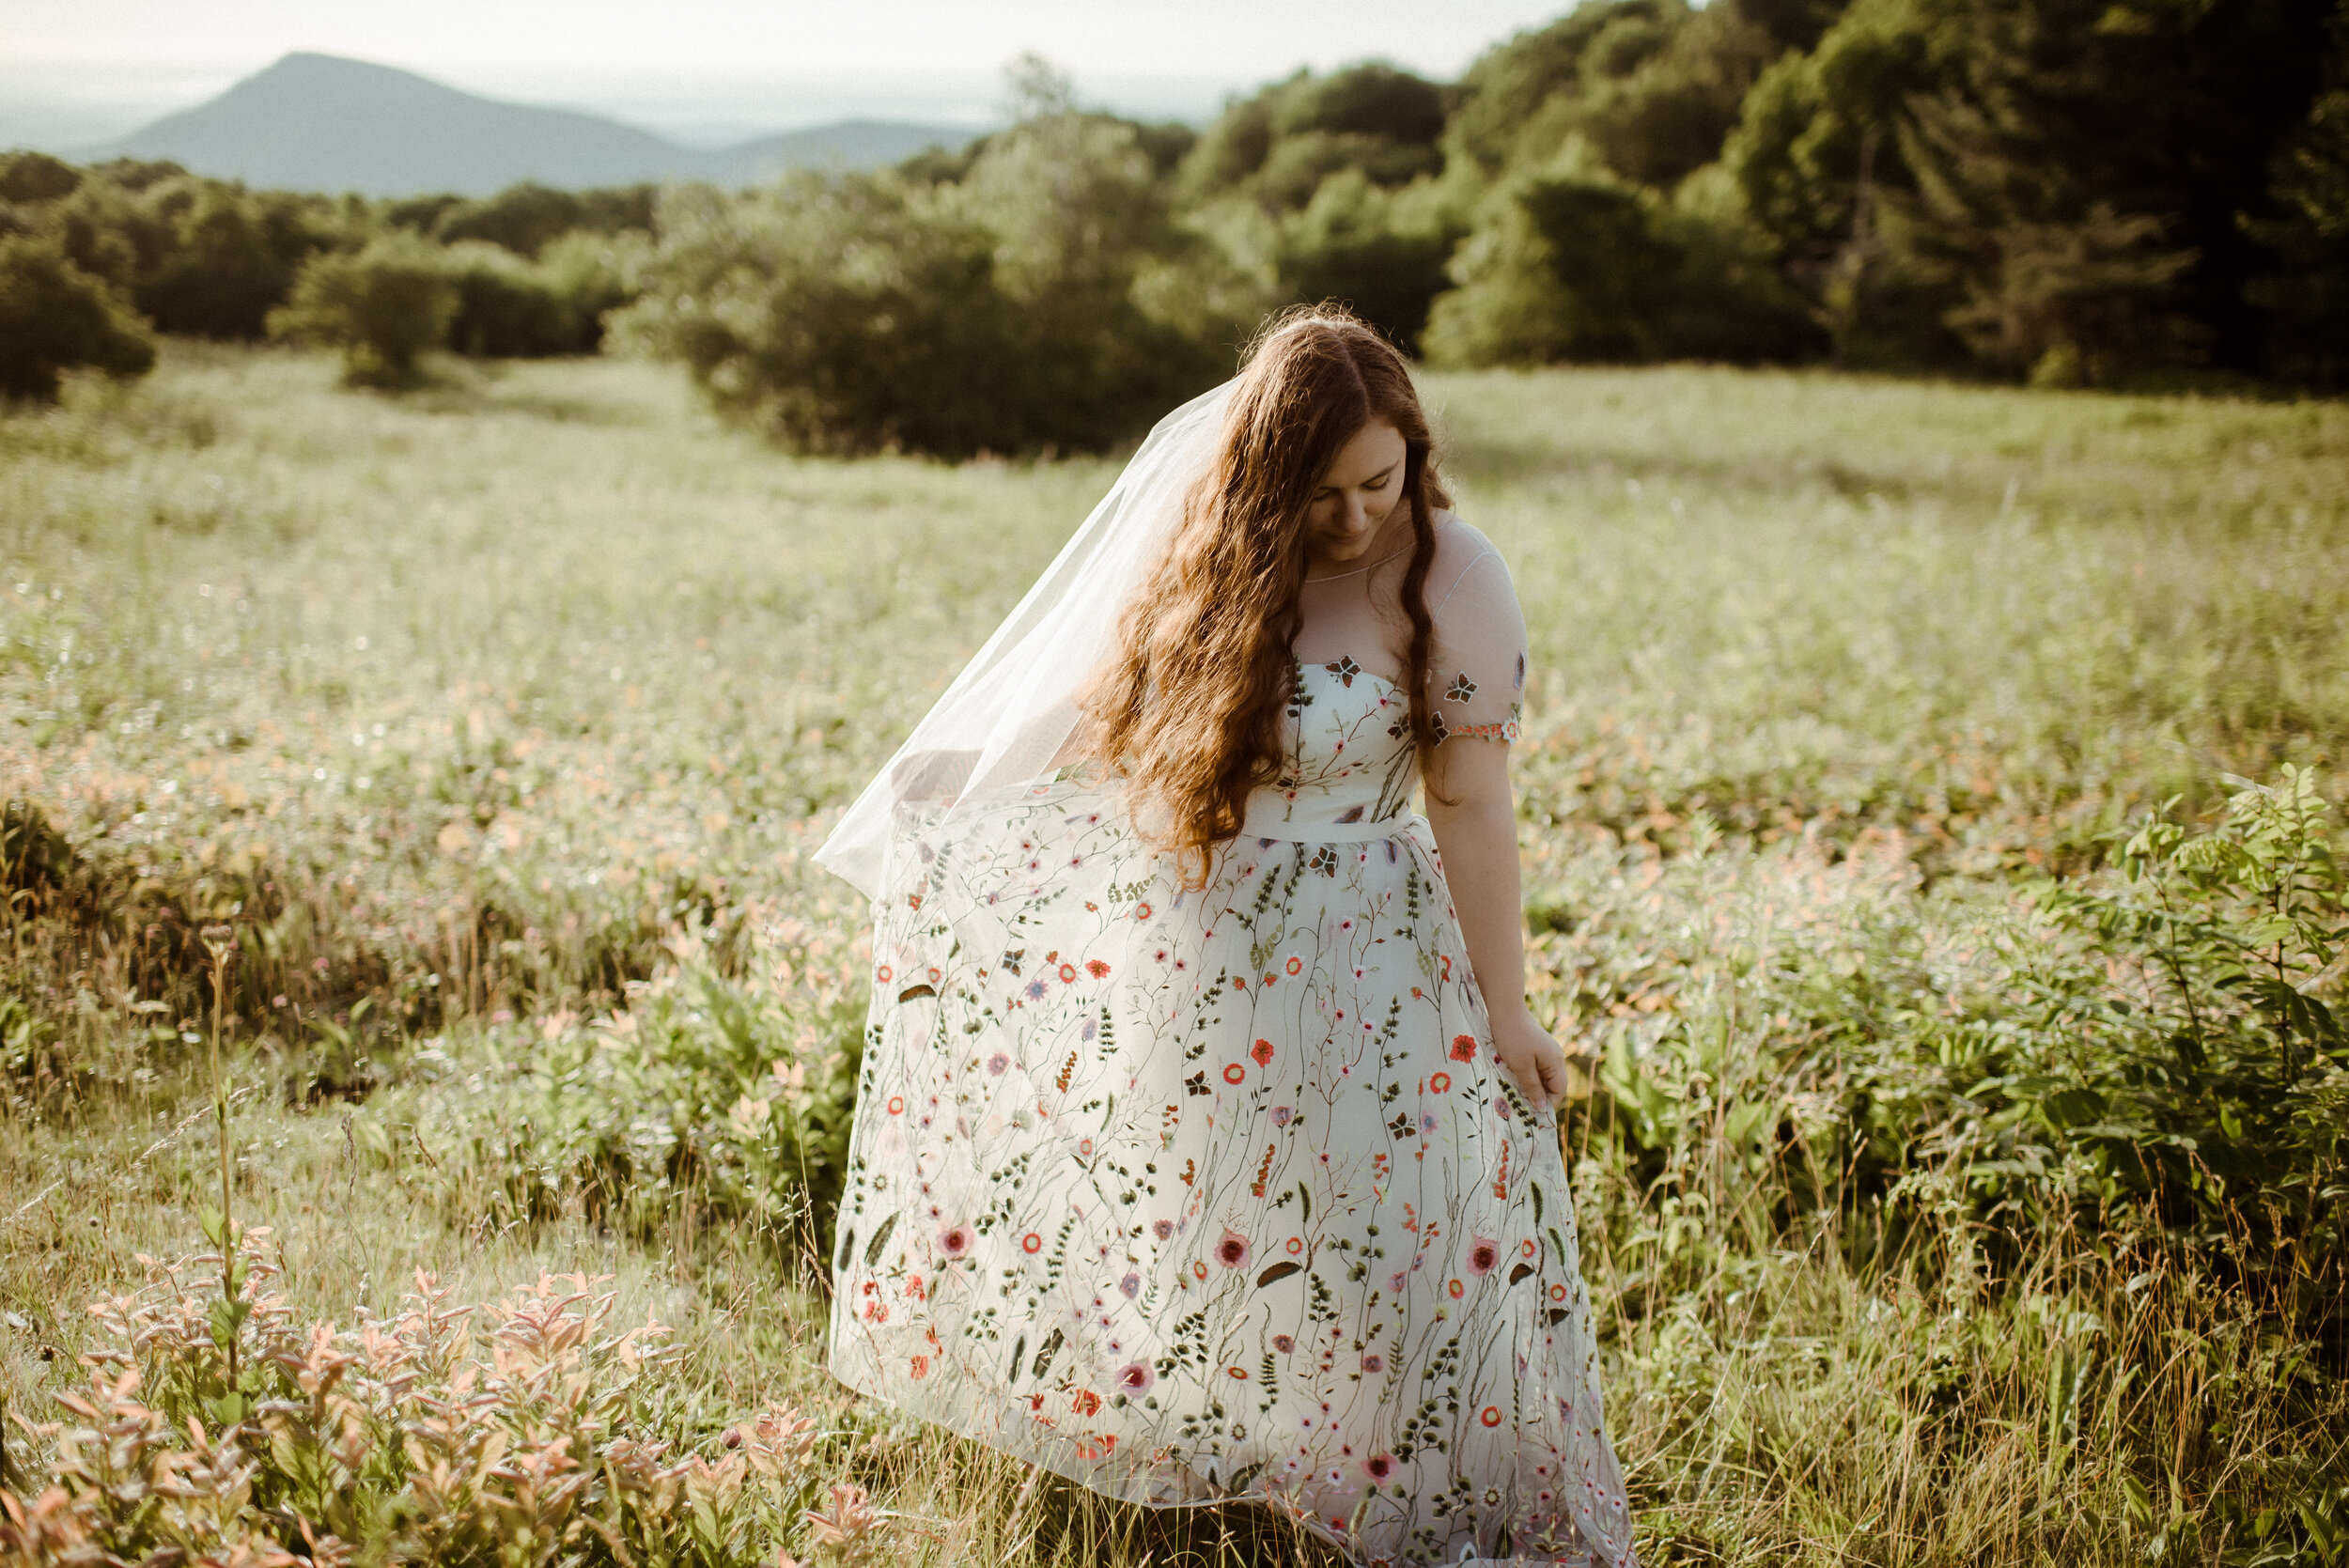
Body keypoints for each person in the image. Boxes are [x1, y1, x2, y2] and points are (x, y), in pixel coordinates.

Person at [816, 307, 1637, 1568]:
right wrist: (957, 774)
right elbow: (1102, 714)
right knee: (1225, 1218)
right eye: (1324, 494)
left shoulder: (1456, 572)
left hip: (1371, 954)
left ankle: (1383, 1493)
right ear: (1267, 480)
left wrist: (1508, 1003)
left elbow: (1469, 799)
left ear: (1413, 446)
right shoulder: (1211, 559)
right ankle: (1248, 1467)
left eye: (1383, 478)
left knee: (1373, 1225)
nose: (1359, 518)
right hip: (1204, 948)